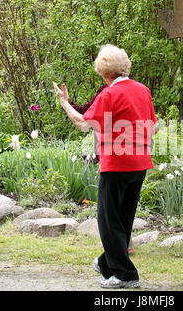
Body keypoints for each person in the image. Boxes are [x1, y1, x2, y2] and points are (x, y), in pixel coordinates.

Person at [53, 44, 157, 289]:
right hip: (140, 161)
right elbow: (151, 124)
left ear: (104, 72)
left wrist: (64, 102)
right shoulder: (143, 90)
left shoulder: (109, 94)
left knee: (108, 219)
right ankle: (107, 264)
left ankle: (125, 275)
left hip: (117, 161)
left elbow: (82, 122)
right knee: (124, 217)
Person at [68, 83, 136, 255]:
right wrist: (67, 101)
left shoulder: (109, 93)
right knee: (121, 204)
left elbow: (84, 119)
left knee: (113, 206)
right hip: (126, 153)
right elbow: (85, 111)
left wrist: (64, 103)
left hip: (117, 152)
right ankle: (125, 245)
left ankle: (121, 249)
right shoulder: (112, 91)